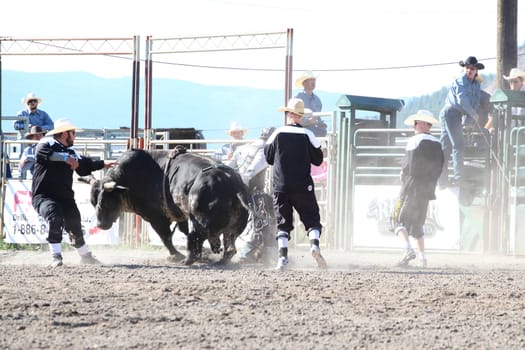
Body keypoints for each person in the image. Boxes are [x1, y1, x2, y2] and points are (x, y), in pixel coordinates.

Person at [32, 118, 116, 267]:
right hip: (44, 196)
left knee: (75, 222)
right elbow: (41, 154)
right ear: (65, 134)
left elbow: (84, 165)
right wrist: (65, 158)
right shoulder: (46, 143)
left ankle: (85, 256)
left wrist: (103, 164)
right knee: (54, 215)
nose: (75, 136)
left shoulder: (70, 151)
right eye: (73, 133)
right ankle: (56, 256)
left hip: (65, 197)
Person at [264, 98, 327, 270]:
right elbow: (318, 159)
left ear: (289, 114)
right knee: (312, 218)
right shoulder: (309, 134)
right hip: (303, 185)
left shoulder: (276, 134)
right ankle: (314, 246)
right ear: (300, 115)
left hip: (281, 185)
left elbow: (268, 158)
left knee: (282, 222)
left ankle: (282, 258)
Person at [393, 110, 444, 268]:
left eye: (416, 123)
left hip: (411, 187)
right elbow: (439, 167)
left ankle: (408, 249)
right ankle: (422, 258)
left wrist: (404, 177)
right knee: (417, 223)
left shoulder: (414, 141)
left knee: (396, 219)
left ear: (422, 124)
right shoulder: (437, 143)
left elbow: (408, 166)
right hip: (427, 189)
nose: (414, 126)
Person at [230, 127, 277, 263]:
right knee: (262, 222)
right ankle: (250, 253)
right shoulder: (264, 151)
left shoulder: (242, 148)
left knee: (257, 223)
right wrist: (245, 192)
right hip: (254, 192)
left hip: (237, 191)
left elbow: (230, 167)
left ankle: (258, 253)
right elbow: (251, 172)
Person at [438, 56, 484, 188]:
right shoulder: (460, 80)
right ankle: (458, 178)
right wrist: (473, 115)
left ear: (476, 71)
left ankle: (443, 181)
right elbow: (462, 100)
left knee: (446, 148)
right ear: (465, 68)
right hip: (451, 112)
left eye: (472, 68)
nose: (469, 70)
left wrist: (469, 121)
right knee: (458, 145)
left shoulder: (476, 85)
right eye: (468, 68)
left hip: (454, 114)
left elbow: (475, 104)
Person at [294, 70, 327, 137]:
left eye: (314, 80)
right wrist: (308, 121)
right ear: (304, 83)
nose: (313, 82)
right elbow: (294, 119)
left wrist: (321, 124)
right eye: (310, 80)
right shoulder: (297, 99)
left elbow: (318, 118)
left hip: (315, 131)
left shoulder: (318, 100)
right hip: (302, 131)